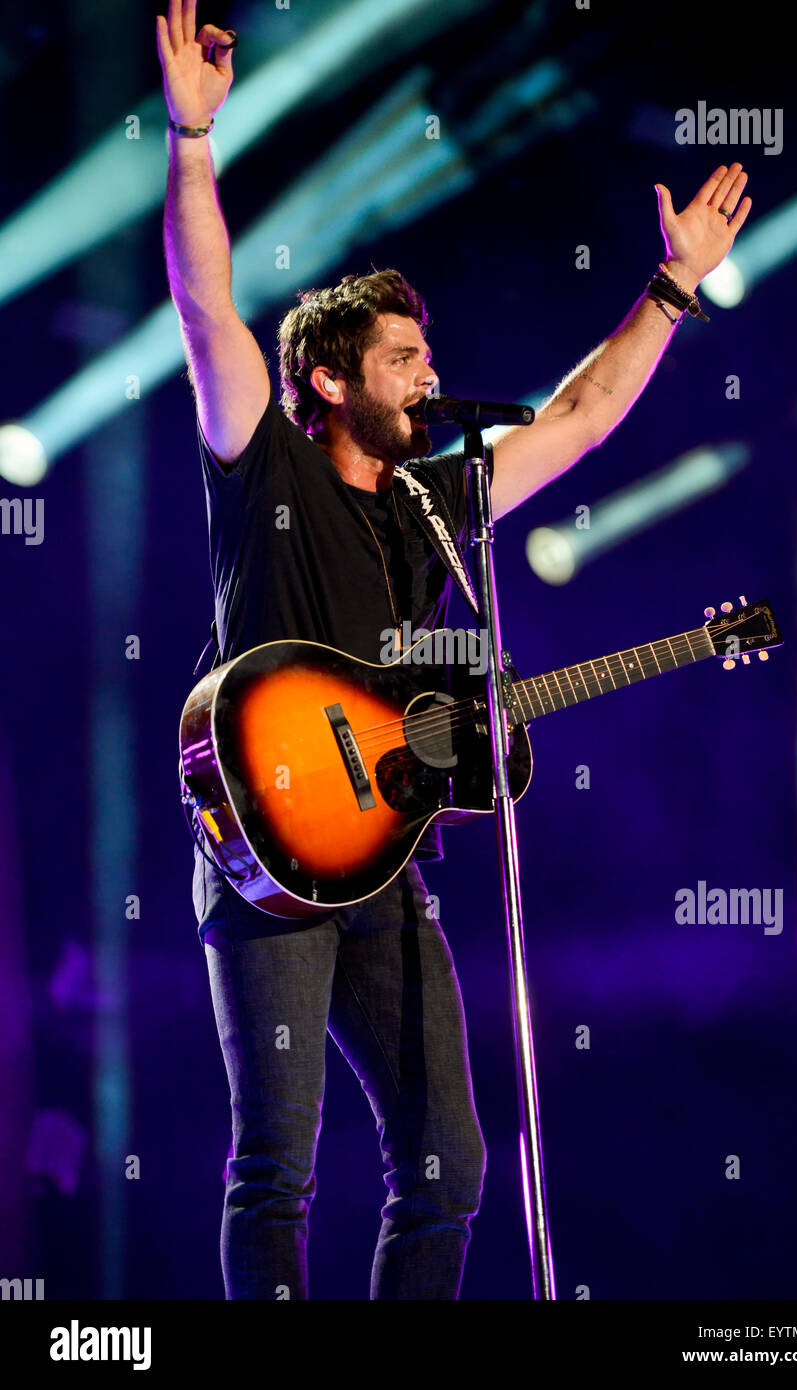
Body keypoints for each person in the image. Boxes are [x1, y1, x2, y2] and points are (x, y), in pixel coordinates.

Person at [157, 0, 752, 1300]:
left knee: (450, 1161)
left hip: (384, 863)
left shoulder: (439, 497)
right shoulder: (264, 457)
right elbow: (206, 314)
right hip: (265, 851)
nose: (432, 376)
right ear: (327, 378)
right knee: (280, 1164)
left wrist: (670, 287)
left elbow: (582, 418)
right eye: (404, 358)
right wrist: (194, 142)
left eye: (431, 357)